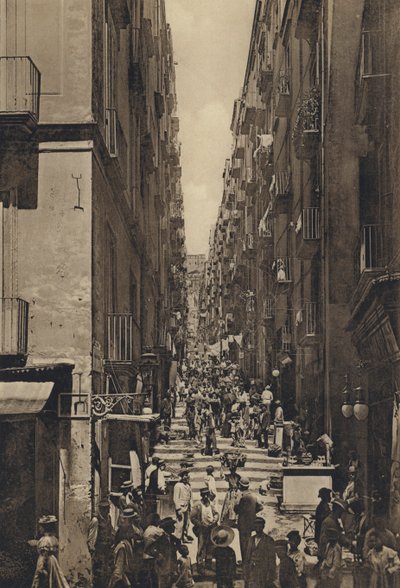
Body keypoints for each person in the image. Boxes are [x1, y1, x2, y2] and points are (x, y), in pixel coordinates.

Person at [31, 515, 71, 588]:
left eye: (41, 527)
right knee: (54, 579)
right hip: (53, 561)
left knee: (43, 581)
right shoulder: (53, 538)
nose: (40, 529)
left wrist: (41, 568)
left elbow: (44, 555)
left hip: (46, 562)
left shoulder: (44, 540)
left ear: (45, 528)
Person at [234, 477, 264, 564]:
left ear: (240, 486)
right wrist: (253, 511)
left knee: (243, 543)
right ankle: (250, 560)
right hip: (252, 522)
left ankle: (245, 562)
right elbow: (261, 507)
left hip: (243, 523)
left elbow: (236, 509)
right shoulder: (254, 496)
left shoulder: (241, 497)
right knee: (250, 542)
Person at [146, 517, 181, 588]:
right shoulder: (160, 538)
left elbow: (177, 547)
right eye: (172, 525)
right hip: (162, 568)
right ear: (168, 527)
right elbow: (149, 549)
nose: (174, 527)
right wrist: (158, 555)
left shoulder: (172, 538)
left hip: (170, 568)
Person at [190, 487, 219, 574]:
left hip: (211, 529)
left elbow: (216, 514)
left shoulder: (211, 504)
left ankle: (208, 564)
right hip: (202, 530)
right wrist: (200, 524)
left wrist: (214, 520)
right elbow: (192, 518)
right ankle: (200, 565)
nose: (206, 496)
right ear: (201, 495)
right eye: (204, 495)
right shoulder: (197, 505)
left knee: (211, 546)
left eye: (207, 494)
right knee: (201, 546)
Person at [244, 517, 277, 588]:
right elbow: (247, 557)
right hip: (251, 571)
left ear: (263, 526)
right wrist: (246, 572)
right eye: (256, 525)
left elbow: (272, 558)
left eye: (260, 525)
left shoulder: (269, 540)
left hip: (263, 571)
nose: (258, 527)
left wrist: (270, 574)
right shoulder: (250, 539)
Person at [173, 470, 193, 543]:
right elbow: (175, 498)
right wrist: (178, 509)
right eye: (185, 475)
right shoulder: (178, 485)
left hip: (187, 507)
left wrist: (191, 506)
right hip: (181, 507)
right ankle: (177, 539)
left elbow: (191, 497)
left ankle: (184, 537)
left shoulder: (188, 485)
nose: (186, 477)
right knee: (180, 523)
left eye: (187, 475)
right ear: (181, 477)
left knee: (186, 523)